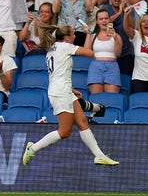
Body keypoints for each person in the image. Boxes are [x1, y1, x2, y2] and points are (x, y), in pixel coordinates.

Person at [22, 24, 118, 167]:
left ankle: (99, 156)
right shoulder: (65, 46)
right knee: (64, 132)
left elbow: (57, 73)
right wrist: (90, 34)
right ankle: (32, 148)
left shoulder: (52, 49)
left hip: (63, 90)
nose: (74, 36)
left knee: (82, 122)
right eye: (73, 34)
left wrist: (71, 89)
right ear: (67, 37)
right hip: (61, 93)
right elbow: (90, 53)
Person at [85, 9, 122, 93]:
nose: (104, 21)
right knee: (96, 99)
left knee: (111, 98)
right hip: (96, 67)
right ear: (97, 22)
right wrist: (88, 34)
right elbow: (86, 52)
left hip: (112, 66)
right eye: (101, 19)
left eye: (106, 18)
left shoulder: (117, 36)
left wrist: (115, 38)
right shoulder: (93, 36)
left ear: (110, 20)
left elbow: (118, 53)